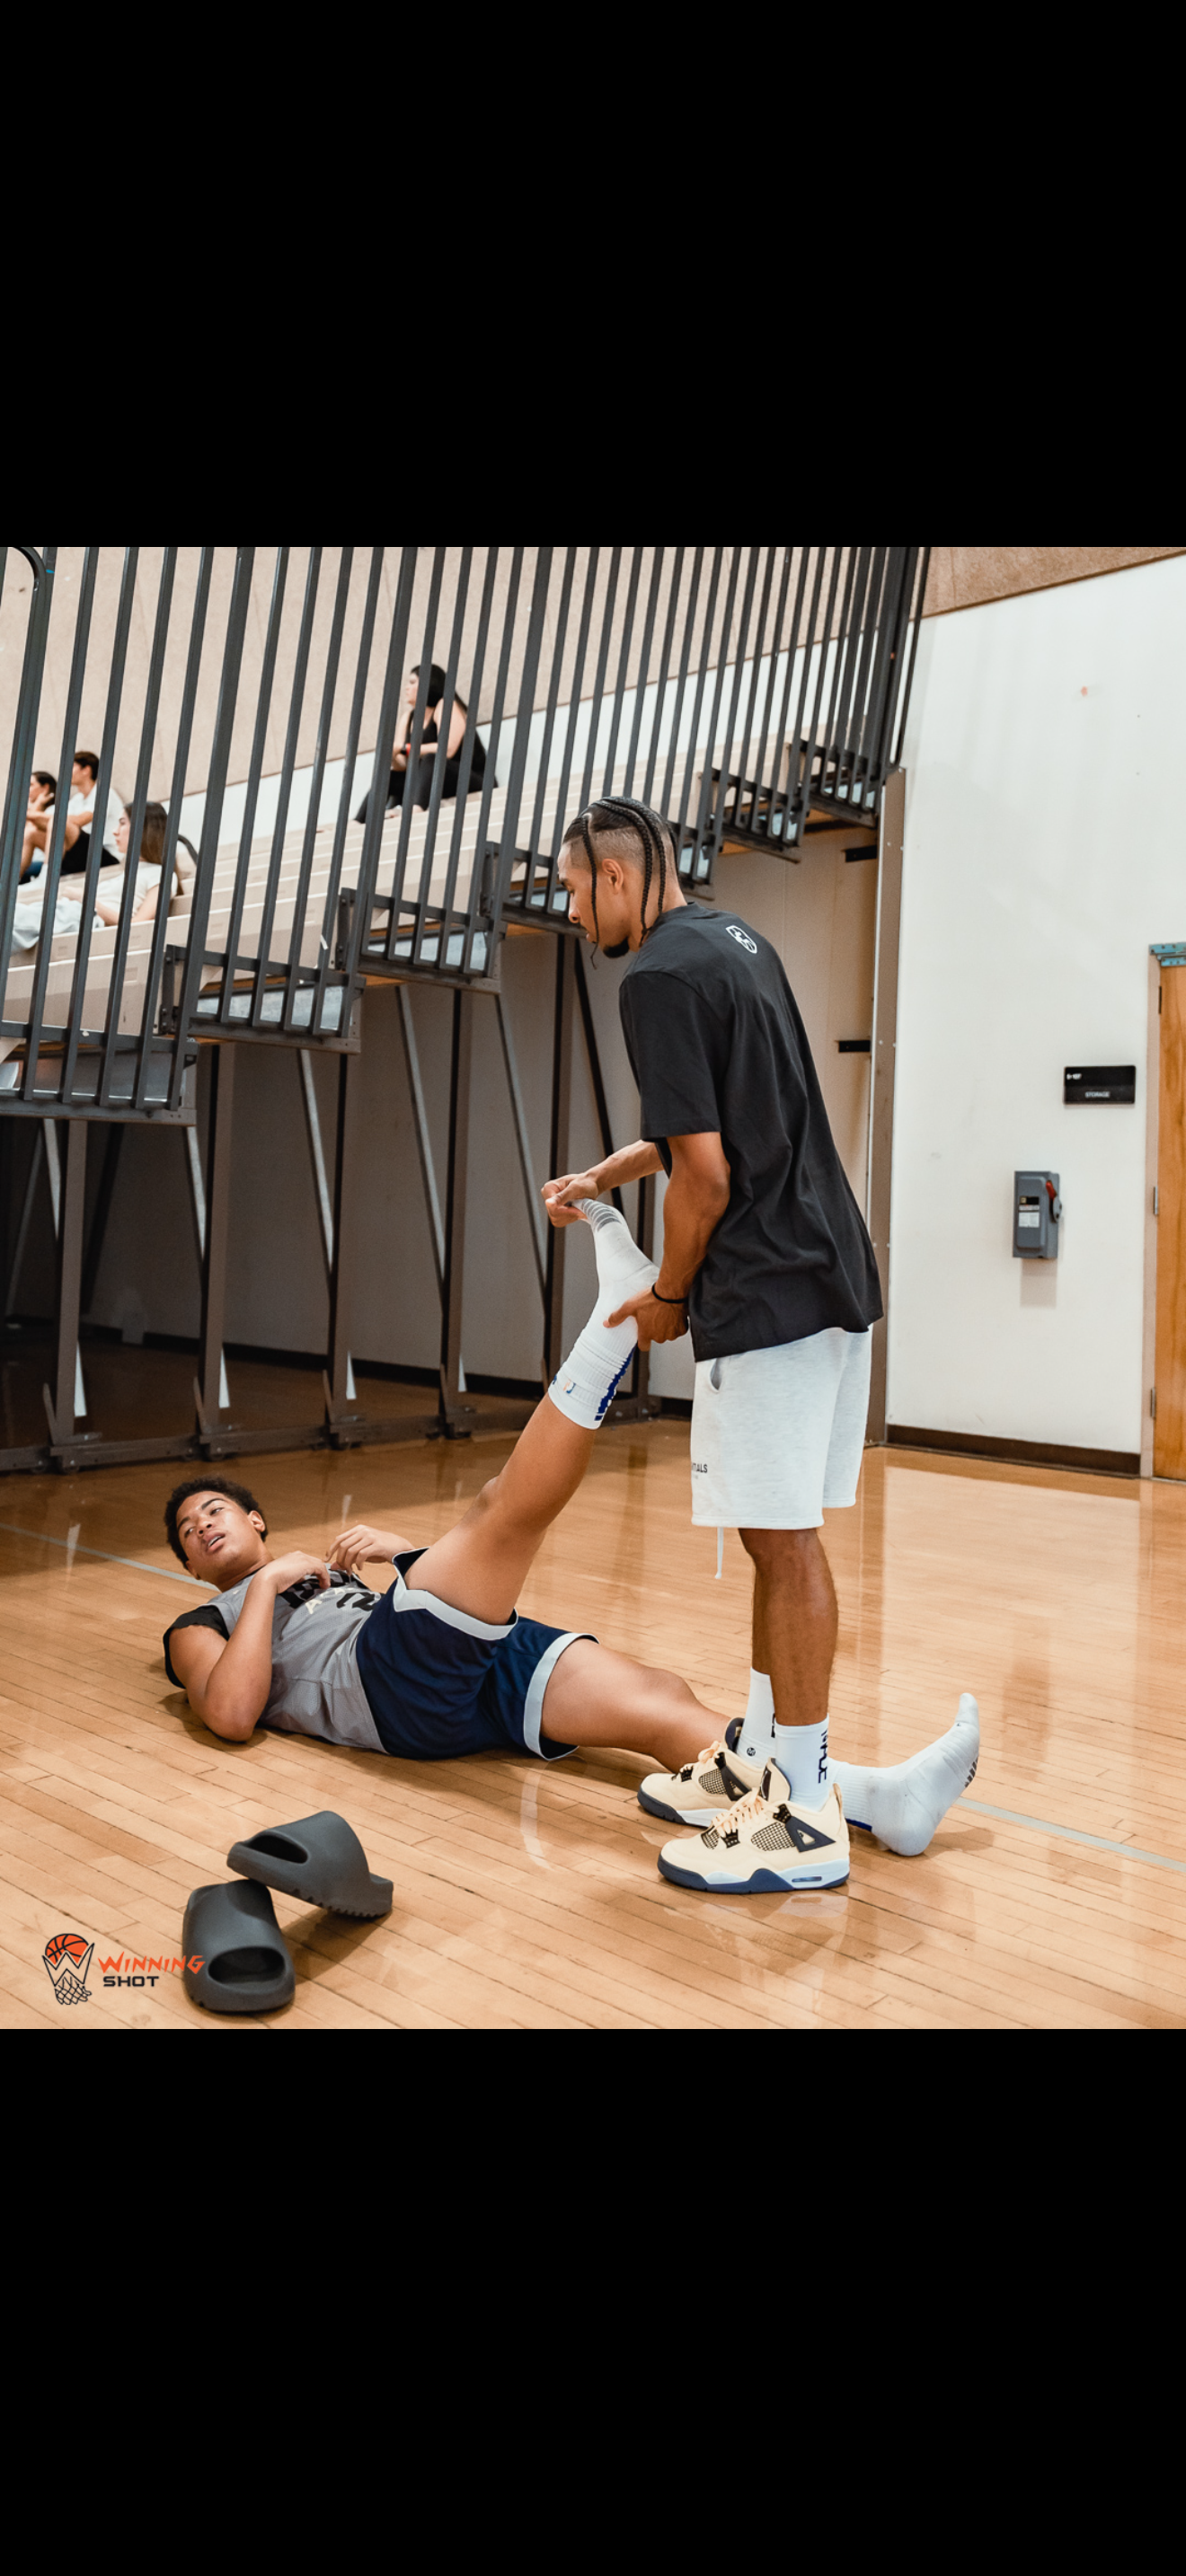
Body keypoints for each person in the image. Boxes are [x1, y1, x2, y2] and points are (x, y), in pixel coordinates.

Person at [161, 1198, 978, 1890]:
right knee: (500, 1511)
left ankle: (874, 1801)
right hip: (386, 1691)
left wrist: (405, 1554)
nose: (203, 1526)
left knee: (661, 1701)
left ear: (256, 1520)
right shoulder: (200, 1625)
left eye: (214, 1510)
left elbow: (456, 1600)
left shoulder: (325, 1575)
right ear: (190, 1565)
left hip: (451, 1666)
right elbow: (231, 1714)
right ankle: (613, 1323)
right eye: (190, 1532)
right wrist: (265, 1587)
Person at [542, 796, 979, 1893]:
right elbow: (723, 1120)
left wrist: (670, 1296)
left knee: (783, 1546)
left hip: (766, 1289)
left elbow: (707, 1176)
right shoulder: (732, 939)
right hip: (829, 1271)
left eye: (574, 889)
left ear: (616, 876)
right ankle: (765, 1762)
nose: (571, 911)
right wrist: (610, 1172)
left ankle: (804, 1819)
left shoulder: (653, 978)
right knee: (771, 1536)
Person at [9, 800, 176, 952]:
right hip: (71, 913)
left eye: (122, 823)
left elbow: (139, 924)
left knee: (10, 919)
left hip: (83, 918)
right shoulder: (129, 873)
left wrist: (86, 899)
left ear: (143, 828)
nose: (115, 831)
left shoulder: (160, 874)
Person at [354, 664, 491, 824]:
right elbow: (402, 765)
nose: (407, 687)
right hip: (434, 783)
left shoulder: (445, 705)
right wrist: (392, 755)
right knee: (389, 776)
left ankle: (415, 810)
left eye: (412, 682)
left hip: (469, 778)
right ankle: (358, 821)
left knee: (431, 759)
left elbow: (447, 749)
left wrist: (404, 748)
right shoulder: (408, 717)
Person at [60, 749, 124, 875]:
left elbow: (79, 821)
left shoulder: (104, 793)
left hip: (108, 853)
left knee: (59, 824)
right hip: (85, 853)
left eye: (72, 766)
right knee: (34, 832)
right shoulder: (76, 799)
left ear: (86, 770)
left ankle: (48, 872)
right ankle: (45, 872)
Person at [20, 772, 57, 879]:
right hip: (29, 861)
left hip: (40, 862)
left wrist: (38, 804)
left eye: (31, 785)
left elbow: (29, 831)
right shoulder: (38, 810)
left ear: (45, 788)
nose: (27, 789)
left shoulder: (52, 811)